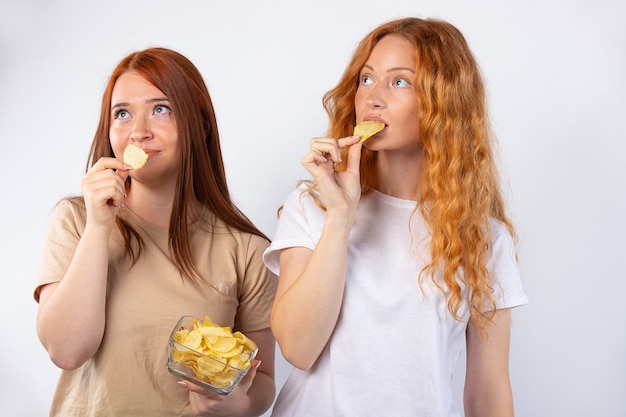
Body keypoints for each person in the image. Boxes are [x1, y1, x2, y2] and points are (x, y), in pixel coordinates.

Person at [263, 17, 528, 417]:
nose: (373, 98)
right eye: (366, 79)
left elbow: (487, 395)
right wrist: (340, 215)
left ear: (445, 103)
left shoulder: (483, 238)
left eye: (399, 82)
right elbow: (298, 349)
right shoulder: (313, 206)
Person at [34, 47, 278, 417]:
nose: (139, 132)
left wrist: (234, 404)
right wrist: (99, 230)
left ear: (201, 124)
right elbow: (65, 351)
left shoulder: (247, 250)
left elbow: (264, 382)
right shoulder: (77, 220)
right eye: (122, 114)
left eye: (161, 109)